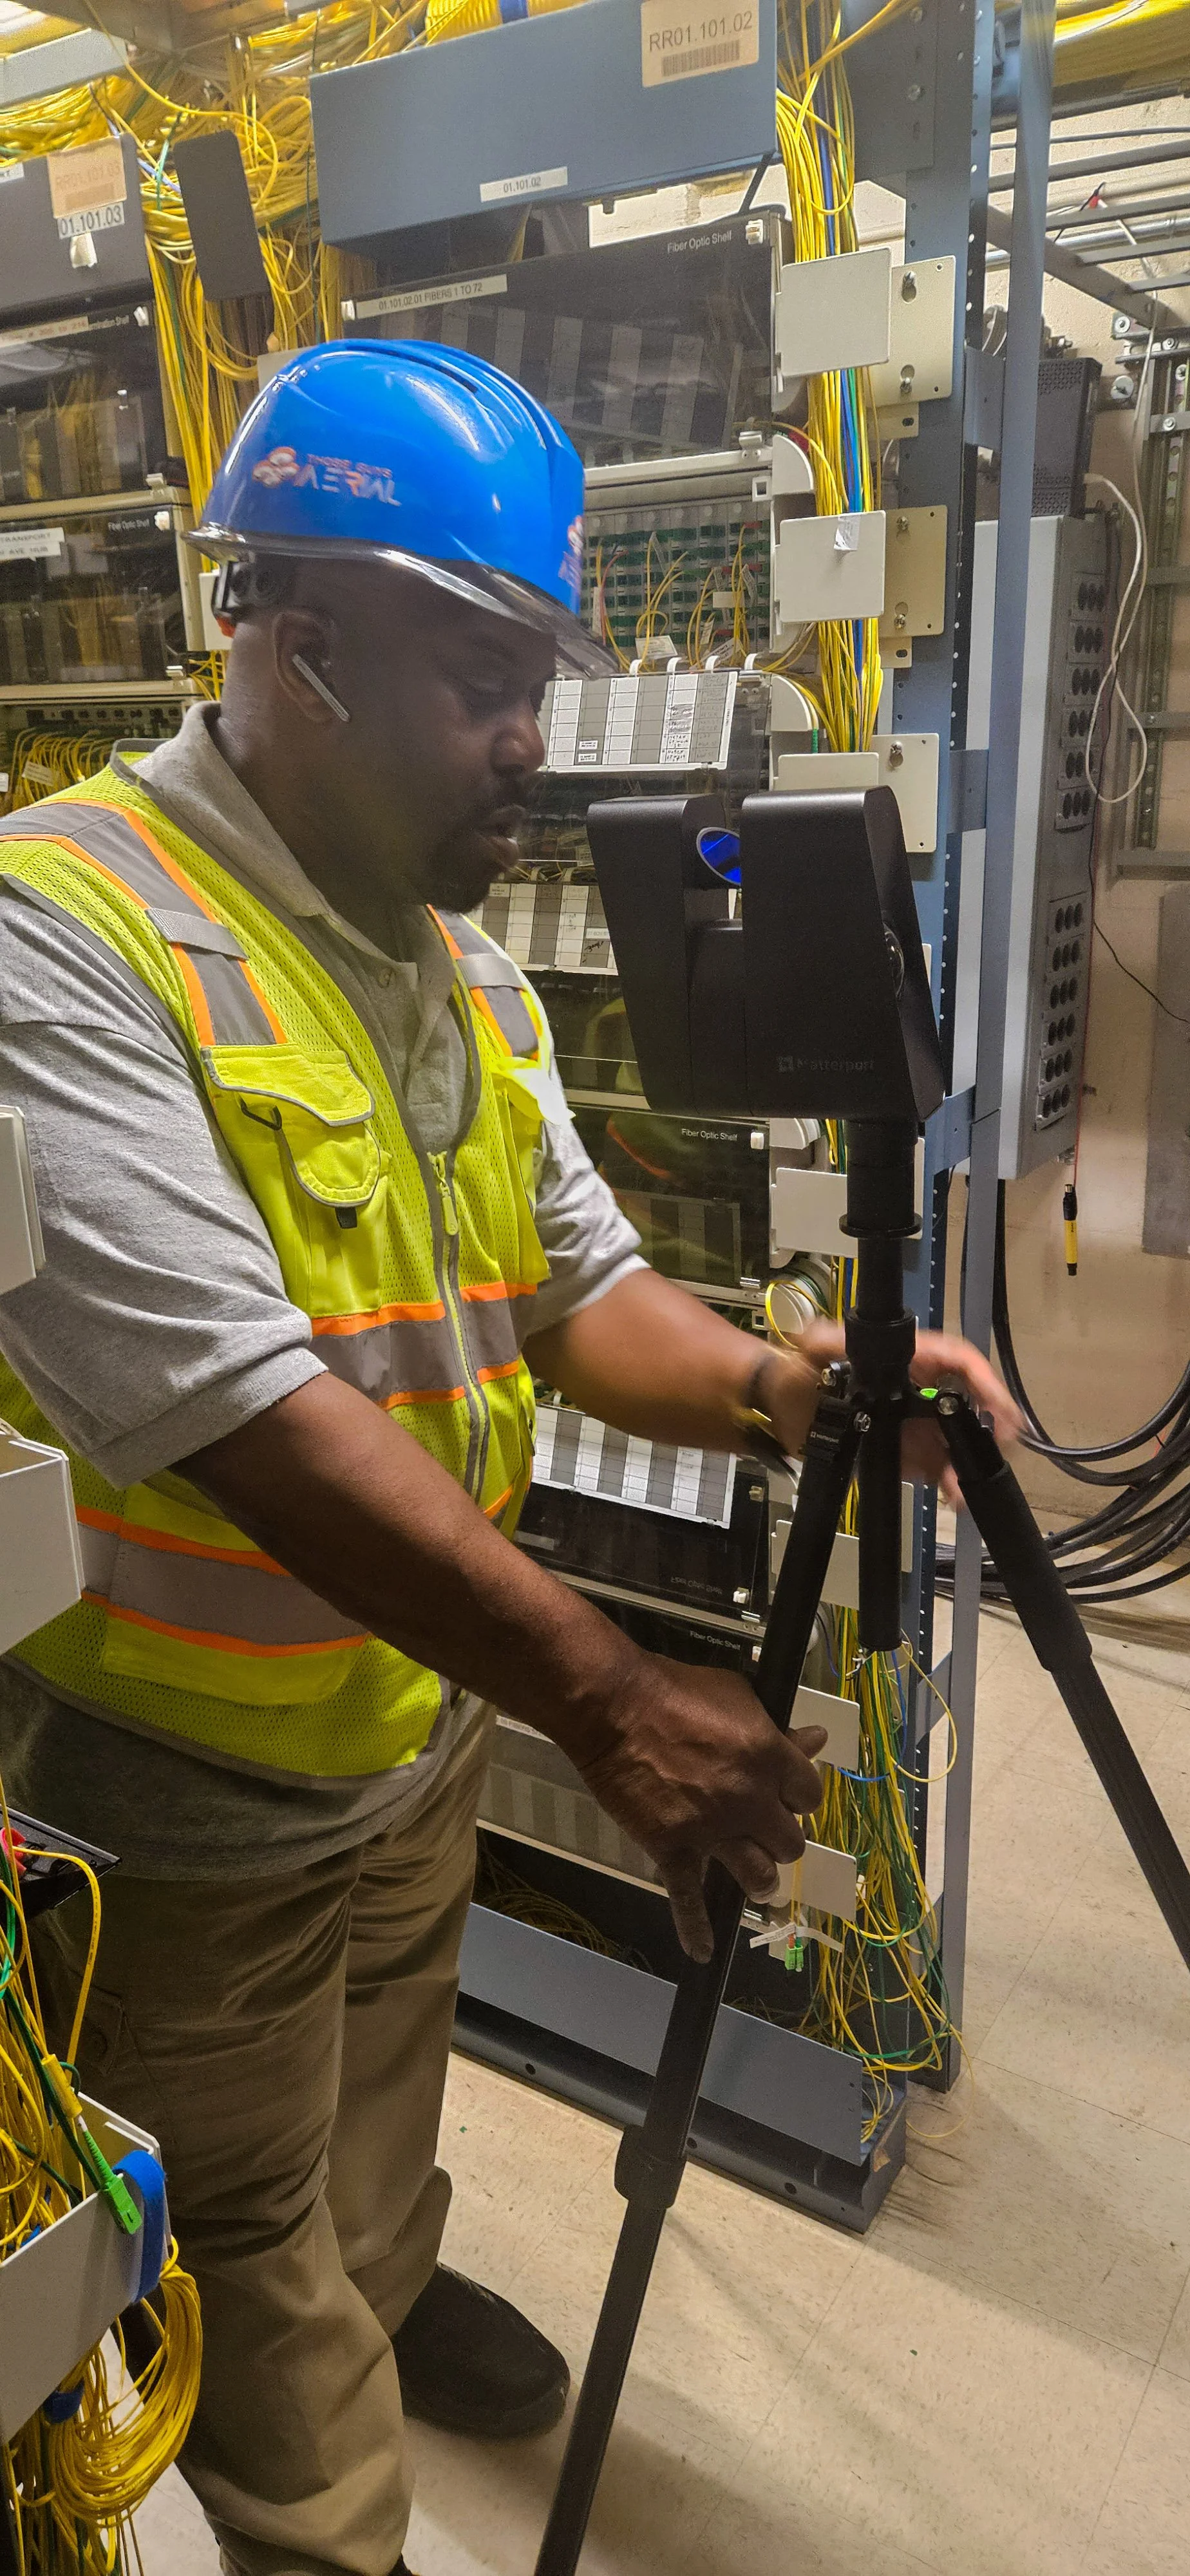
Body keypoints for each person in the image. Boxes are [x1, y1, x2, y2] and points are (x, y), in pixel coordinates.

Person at [0, 343, 1015, 2576]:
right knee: (241, 2249)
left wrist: (777, 1387)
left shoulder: (450, 963)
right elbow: (240, 1415)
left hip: (406, 1723)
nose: (538, 738)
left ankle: (383, 2274)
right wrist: (613, 1693)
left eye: (542, 678)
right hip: (184, 1779)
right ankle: (320, 2515)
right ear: (303, 647)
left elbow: (577, 1290)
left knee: (376, 2131)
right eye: (487, 681)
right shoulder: (61, 936)